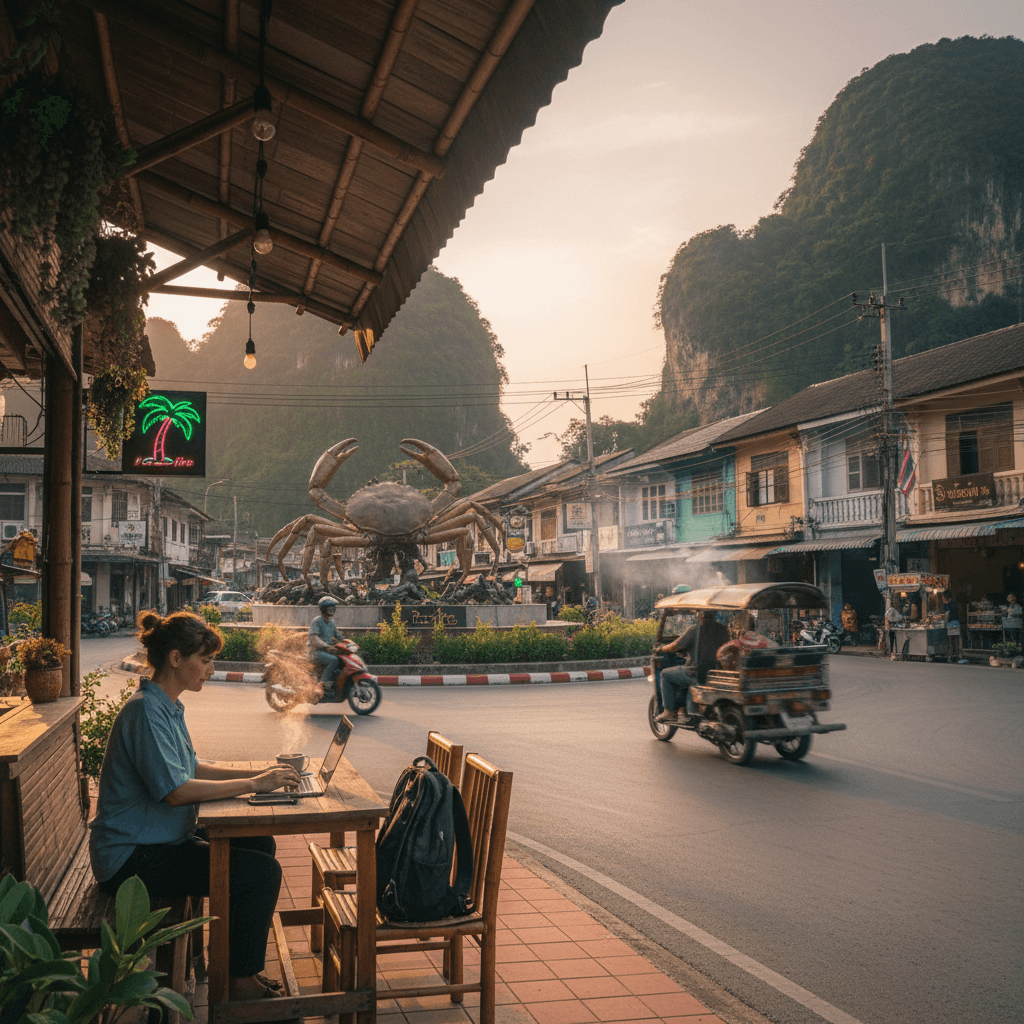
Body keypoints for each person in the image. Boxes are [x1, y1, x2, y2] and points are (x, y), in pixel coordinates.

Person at [89, 611, 300, 1003]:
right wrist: (254, 783)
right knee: (262, 873)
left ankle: (241, 965)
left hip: (160, 840)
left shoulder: (165, 705)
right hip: (130, 859)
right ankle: (238, 982)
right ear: (175, 658)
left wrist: (253, 772)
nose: (210, 669)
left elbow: (191, 766)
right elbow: (177, 792)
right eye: (204, 661)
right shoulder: (145, 711)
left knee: (260, 844)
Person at [654, 610, 730, 724]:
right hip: (715, 673)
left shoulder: (694, 629)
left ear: (701, 615)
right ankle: (685, 709)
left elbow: (675, 645)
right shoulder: (724, 630)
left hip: (694, 672)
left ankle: (669, 711)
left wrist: (661, 649)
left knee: (665, 674)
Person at [309, 594, 343, 689]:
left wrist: (350, 643)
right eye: (330, 607)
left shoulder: (331, 622)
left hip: (326, 651)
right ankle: (322, 683)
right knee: (334, 660)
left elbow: (338, 636)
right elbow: (314, 638)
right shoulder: (317, 621)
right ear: (324, 609)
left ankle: (333, 682)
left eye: (333, 607)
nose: (333, 609)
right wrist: (326, 646)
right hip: (316, 652)